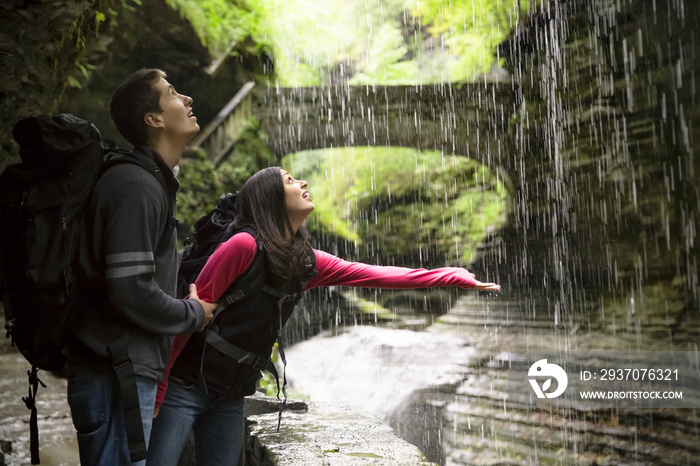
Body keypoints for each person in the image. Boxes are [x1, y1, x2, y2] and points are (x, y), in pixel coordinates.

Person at [147, 166, 500, 465]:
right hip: (185, 386)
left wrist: (451, 276)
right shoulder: (242, 245)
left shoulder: (306, 261)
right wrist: (159, 390)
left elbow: (375, 275)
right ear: (270, 200)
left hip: (230, 393)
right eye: (289, 180)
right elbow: (189, 318)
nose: (302, 183)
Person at [63, 68, 217, 465]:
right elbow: (130, 288)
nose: (187, 99)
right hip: (114, 371)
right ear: (154, 119)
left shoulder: (148, 181)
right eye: (172, 93)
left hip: (119, 368)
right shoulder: (136, 187)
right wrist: (191, 313)